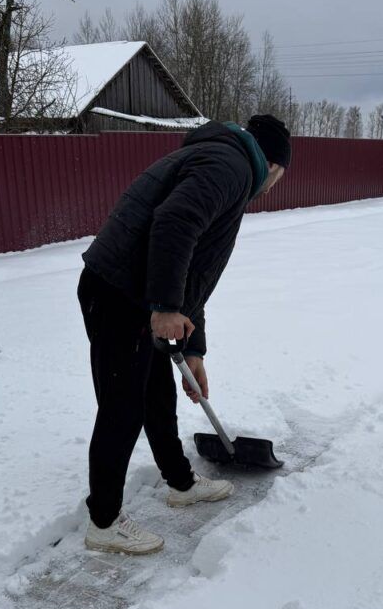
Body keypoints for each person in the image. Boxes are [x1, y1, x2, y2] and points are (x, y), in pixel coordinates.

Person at [77, 114, 291, 555]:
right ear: (273, 165)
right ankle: (103, 522)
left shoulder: (222, 161)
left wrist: (193, 348)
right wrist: (167, 309)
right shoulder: (229, 167)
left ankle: (180, 483)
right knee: (123, 406)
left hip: (137, 294)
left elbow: (195, 268)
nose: (276, 186)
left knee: (156, 393)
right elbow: (174, 224)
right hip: (120, 293)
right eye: (282, 176)